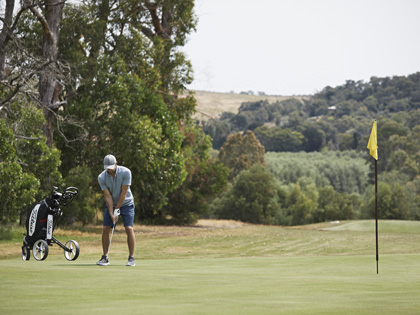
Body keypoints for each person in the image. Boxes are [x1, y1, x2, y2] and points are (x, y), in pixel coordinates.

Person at [96, 154, 136, 266]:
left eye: (111, 167)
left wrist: (117, 209)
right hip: (112, 204)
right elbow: (107, 196)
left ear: (116, 163)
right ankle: (105, 257)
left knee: (129, 228)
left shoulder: (126, 172)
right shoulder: (101, 177)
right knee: (105, 228)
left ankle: (131, 258)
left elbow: (124, 192)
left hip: (127, 203)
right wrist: (111, 211)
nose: (109, 170)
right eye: (107, 167)